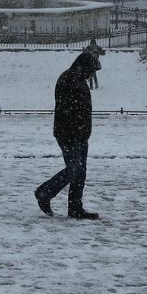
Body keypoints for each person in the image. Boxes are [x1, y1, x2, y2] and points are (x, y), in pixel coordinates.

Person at [34, 52, 102, 220]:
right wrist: (76, 131)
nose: (93, 74)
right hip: (70, 134)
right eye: (92, 70)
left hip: (78, 134)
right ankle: (45, 192)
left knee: (79, 171)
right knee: (75, 169)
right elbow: (67, 110)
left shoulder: (76, 79)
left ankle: (75, 208)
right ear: (85, 67)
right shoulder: (70, 80)